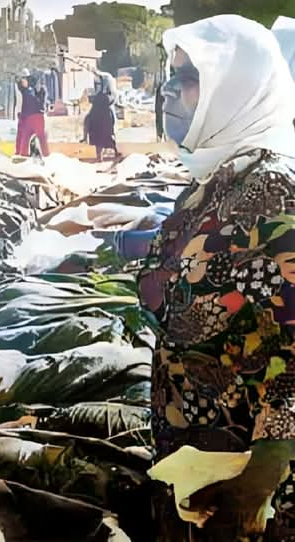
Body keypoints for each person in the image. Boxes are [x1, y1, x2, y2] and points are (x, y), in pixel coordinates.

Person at [138, 15, 295, 540]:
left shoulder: (275, 192)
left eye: (188, 78)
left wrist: (262, 476)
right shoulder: (216, 181)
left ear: (238, 90)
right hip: (200, 468)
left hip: (251, 489)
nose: (168, 90)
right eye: (170, 75)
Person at [15, 70, 49, 158]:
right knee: (28, 137)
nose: (23, 82)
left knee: (34, 137)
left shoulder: (30, 91)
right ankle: (23, 155)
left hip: (33, 116)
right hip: (30, 117)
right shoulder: (28, 90)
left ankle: (44, 155)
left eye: (24, 81)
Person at [82, 89, 118, 162]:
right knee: (110, 143)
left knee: (98, 145)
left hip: (95, 134)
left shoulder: (92, 113)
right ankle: (115, 154)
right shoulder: (108, 111)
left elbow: (87, 124)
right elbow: (112, 122)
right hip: (105, 133)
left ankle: (99, 157)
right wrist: (112, 132)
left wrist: (85, 137)